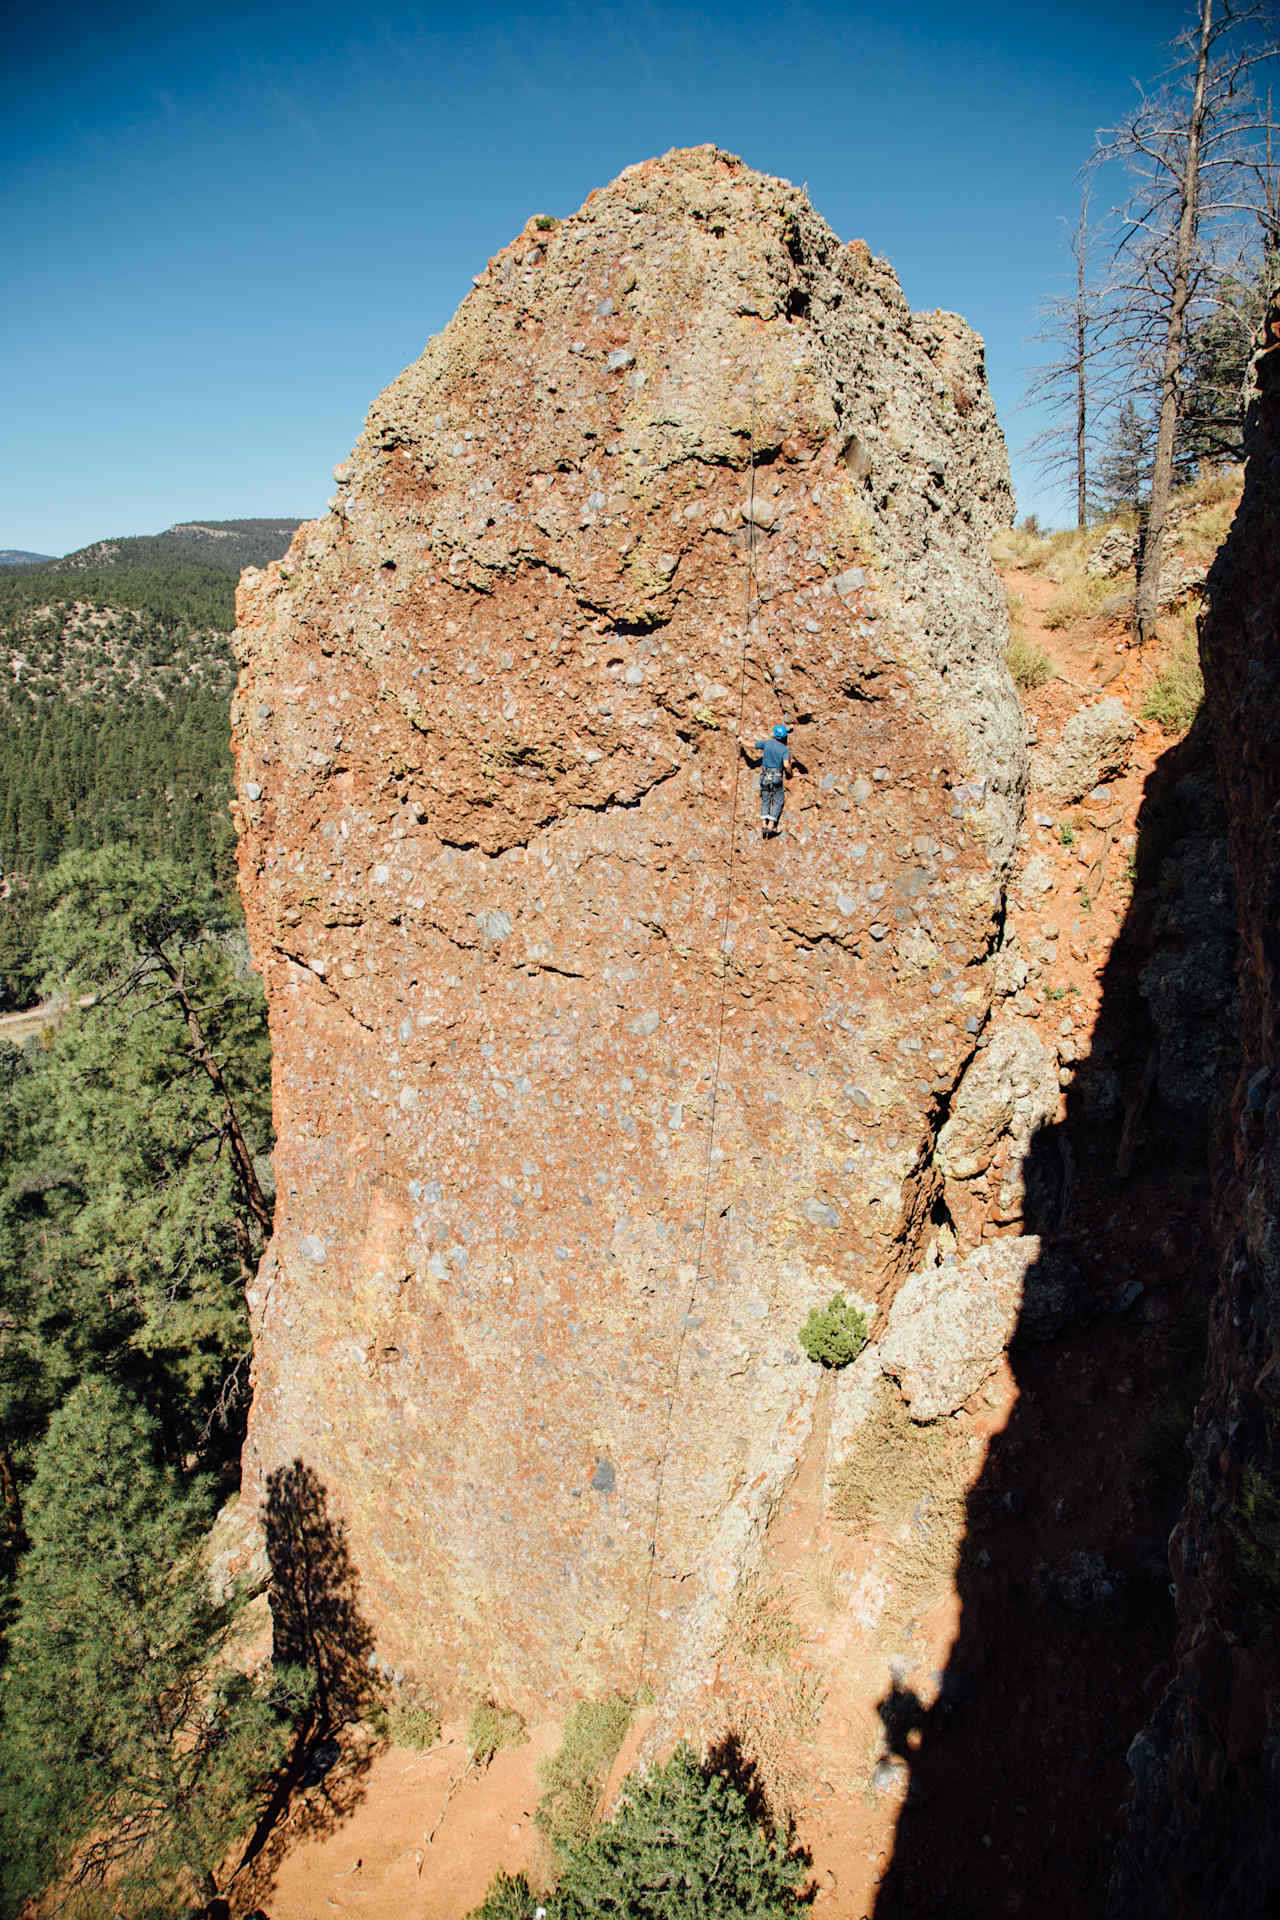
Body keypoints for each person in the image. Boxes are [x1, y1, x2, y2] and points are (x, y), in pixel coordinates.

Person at [740, 722, 793, 837]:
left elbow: (751, 744)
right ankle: (771, 826)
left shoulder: (767, 743)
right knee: (778, 800)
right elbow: (786, 765)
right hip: (776, 776)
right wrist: (790, 774)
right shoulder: (785, 749)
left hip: (764, 775)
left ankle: (764, 824)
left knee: (765, 799)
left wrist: (741, 740)